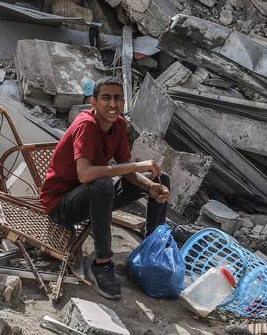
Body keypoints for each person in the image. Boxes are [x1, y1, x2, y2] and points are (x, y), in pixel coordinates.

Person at [39, 77, 171, 300]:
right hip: (61, 206)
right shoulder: (86, 125)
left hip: (92, 196)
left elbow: (126, 172)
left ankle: (151, 252)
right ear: (93, 102)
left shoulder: (119, 125)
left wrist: (150, 186)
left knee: (161, 179)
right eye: (106, 98)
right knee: (102, 184)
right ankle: (102, 263)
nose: (113, 104)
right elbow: (85, 174)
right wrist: (138, 164)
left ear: (124, 102)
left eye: (118, 98)